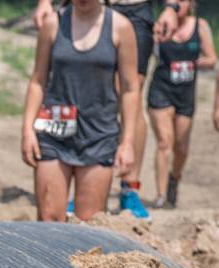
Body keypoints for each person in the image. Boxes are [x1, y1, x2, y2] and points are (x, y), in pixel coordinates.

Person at [37, 1, 175, 215]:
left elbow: (130, 90)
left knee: (131, 86)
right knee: (81, 76)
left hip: (135, 7)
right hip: (81, 8)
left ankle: (129, 187)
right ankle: (77, 175)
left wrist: (171, 7)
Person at [23, 0, 145, 221]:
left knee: (89, 222)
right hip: (54, 131)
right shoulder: (53, 24)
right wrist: (27, 130)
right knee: (49, 218)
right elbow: (38, 81)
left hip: (99, 133)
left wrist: (127, 143)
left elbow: (130, 89)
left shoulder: (121, 27)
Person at [146, 0, 215, 207]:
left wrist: (201, 62)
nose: (176, 5)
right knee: (164, 142)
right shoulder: (161, 25)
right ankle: (160, 196)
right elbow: (146, 50)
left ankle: (174, 179)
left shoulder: (200, 26)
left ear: (191, 3)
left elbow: (212, 58)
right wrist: (155, 36)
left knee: (181, 147)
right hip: (161, 89)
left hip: (185, 93)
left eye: (181, 1)